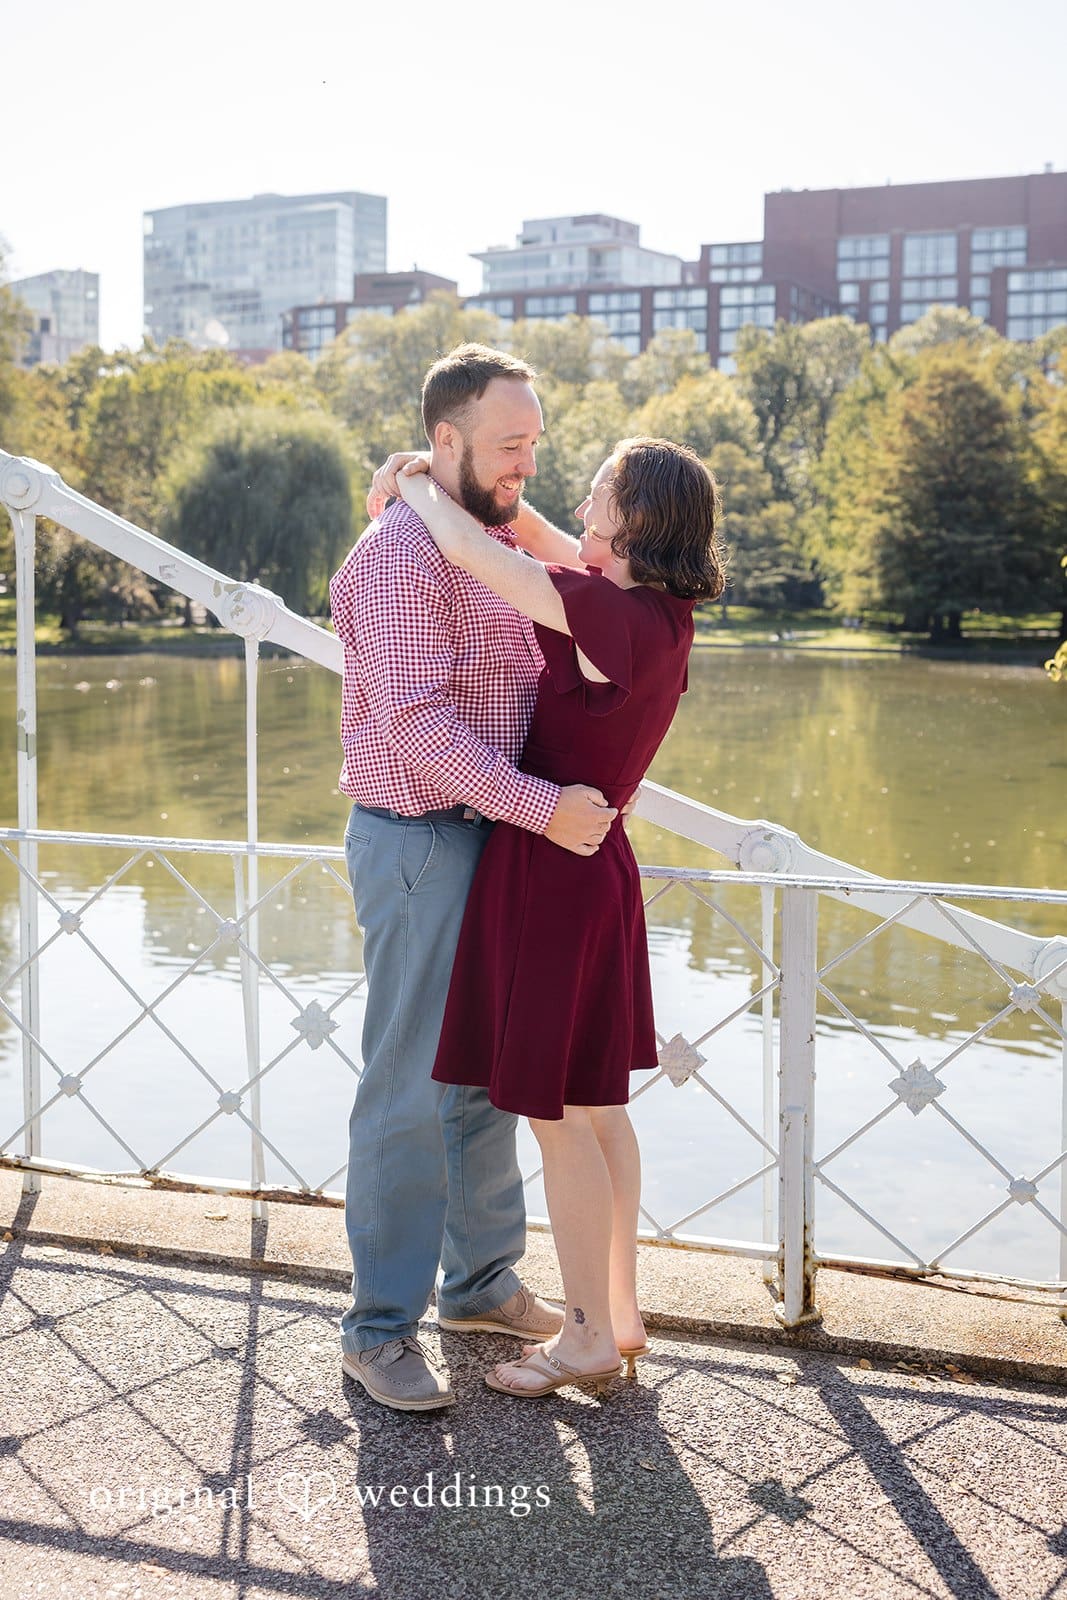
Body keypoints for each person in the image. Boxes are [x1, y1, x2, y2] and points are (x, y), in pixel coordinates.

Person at [384, 436, 725, 1397]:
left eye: (598, 494)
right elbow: (541, 542)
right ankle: (616, 1313)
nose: (580, 508)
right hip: (594, 863)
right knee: (599, 1107)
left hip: (551, 869)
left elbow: (473, 552)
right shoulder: (653, 615)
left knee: (559, 1116)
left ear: (635, 517)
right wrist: (480, 492)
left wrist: (415, 483)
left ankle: (582, 1339)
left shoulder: (608, 614)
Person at [330, 343, 622, 1413]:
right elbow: (416, 729)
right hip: (418, 842)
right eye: (507, 445)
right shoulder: (396, 559)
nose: (524, 464)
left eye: (533, 444)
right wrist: (546, 810)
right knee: (408, 1088)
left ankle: (480, 1285)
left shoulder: (490, 535)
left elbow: (612, 599)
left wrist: (530, 818)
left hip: (493, 839)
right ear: (446, 438)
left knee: (485, 1080)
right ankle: (377, 1331)